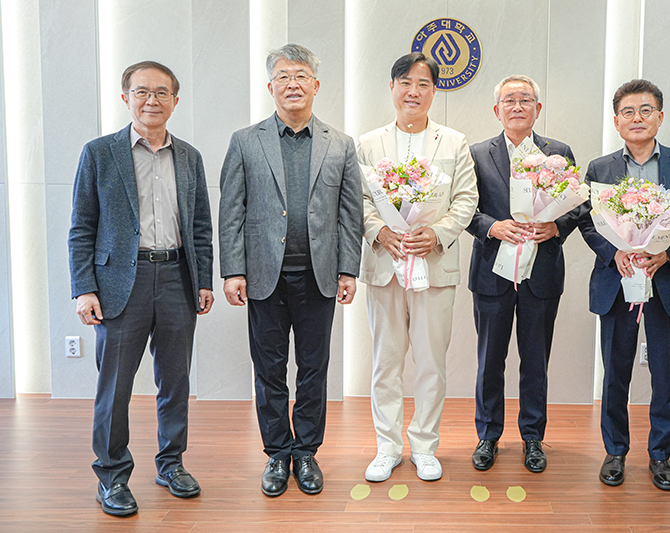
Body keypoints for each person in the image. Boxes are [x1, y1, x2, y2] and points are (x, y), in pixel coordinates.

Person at [68, 61, 214, 516]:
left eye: (161, 92)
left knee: (176, 380)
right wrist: (84, 288)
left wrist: (204, 280)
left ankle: (171, 464)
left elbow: (200, 227)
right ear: (125, 97)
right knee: (115, 386)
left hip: (176, 278)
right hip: (118, 285)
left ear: (175, 100)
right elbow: (81, 228)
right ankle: (112, 475)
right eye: (142, 91)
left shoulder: (189, 156)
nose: (152, 100)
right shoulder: (99, 153)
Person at [219, 44, 363, 497]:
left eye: (300, 75)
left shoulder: (340, 144)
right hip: (264, 276)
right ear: (271, 87)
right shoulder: (246, 141)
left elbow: (350, 214)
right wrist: (233, 270)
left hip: (319, 275)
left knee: (314, 370)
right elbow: (232, 210)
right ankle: (278, 453)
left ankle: (307, 453)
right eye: (283, 76)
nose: (292, 84)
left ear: (316, 85)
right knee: (269, 369)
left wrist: (348, 269)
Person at [579, 79, 670, 491]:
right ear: (616, 121)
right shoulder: (600, 169)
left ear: (660, 116)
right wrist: (613, 252)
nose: (637, 118)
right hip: (616, 283)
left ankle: (660, 455)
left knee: (665, 374)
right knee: (615, 372)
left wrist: (667, 253)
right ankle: (615, 451)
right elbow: (587, 220)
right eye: (628, 112)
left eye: (645, 110)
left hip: (666, 281)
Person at [357, 53, 477, 483]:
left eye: (423, 84)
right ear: (392, 88)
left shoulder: (454, 142)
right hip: (384, 266)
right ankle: (387, 447)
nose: (414, 91)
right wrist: (378, 232)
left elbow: (466, 199)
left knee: (431, 364)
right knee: (385, 363)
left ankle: (425, 446)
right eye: (405, 82)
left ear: (434, 91)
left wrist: (438, 233)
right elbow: (359, 200)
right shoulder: (369, 143)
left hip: (434, 267)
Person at [465, 75, 577, 473]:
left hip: (541, 272)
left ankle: (533, 437)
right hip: (491, 273)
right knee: (489, 360)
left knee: (535, 361)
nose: (517, 106)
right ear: (497, 110)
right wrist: (492, 226)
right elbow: (463, 208)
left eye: (525, 100)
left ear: (537, 109)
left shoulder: (558, 153)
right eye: (509, 100)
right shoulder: (477, 153)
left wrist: (556, 227)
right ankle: (488, 436)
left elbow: (578, 205)